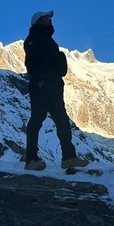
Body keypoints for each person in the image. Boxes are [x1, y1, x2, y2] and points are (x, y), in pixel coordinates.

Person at [23, 10, 89, 171]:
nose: (50, 20)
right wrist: (40, 80)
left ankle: (69, 157)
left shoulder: (47, 39)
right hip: (43, 87)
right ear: (39, 21)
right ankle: (32, 159)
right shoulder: (34, 39)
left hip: (53, 86)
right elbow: (31, 62)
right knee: (39, 120)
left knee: (61, 121)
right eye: (47, 18)